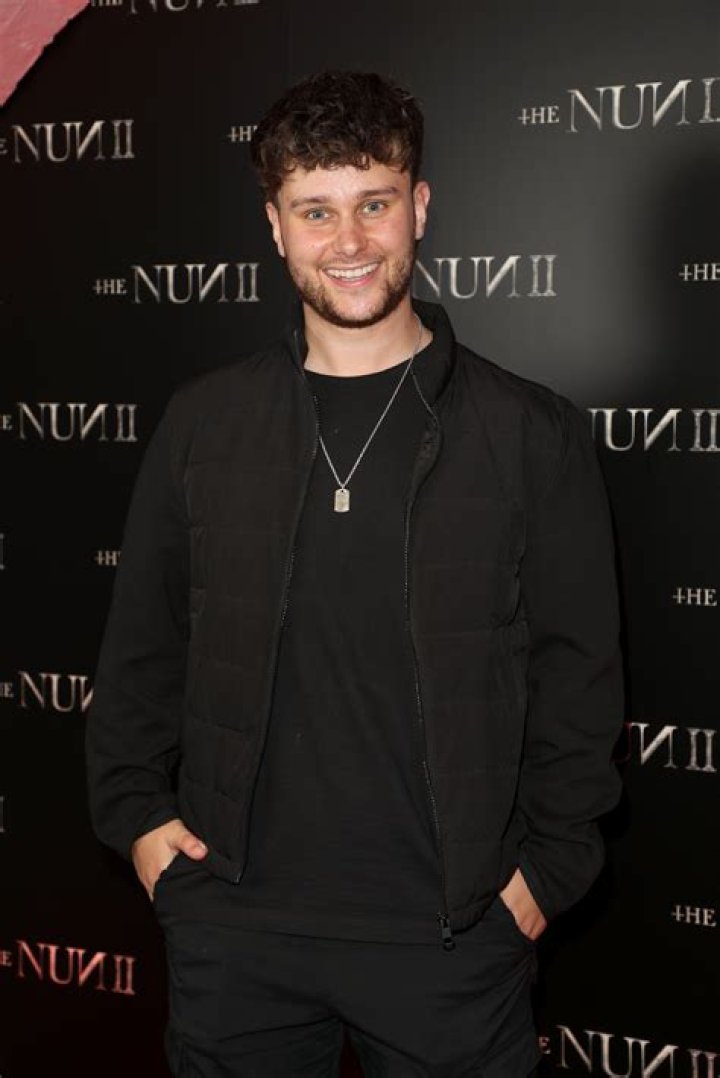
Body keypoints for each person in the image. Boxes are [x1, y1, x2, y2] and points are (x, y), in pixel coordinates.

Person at [86, 70, 623, 1078]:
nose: (349, 240)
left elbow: (579, 678)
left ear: (419, 206)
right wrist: (143, 827)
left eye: (374, 203)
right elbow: (141, 653)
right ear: (275, 226)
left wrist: (546, 874)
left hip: (452, 942)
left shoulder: (529, 433)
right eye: (316, 210)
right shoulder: (204, 423)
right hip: (233, 934)